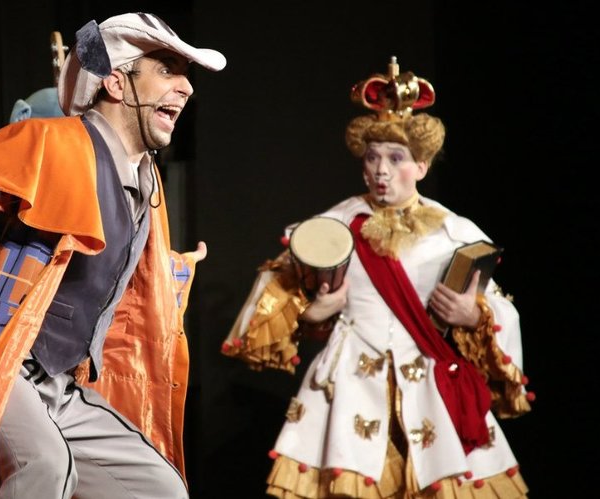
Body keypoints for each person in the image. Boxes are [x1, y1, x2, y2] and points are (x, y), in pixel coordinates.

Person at [0, 12, 225, 499]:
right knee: (45, 465)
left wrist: (174, 269)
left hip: (60, 384)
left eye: (184, 75)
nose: (186, 87)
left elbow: (115, 275)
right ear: (116, 82)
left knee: (158, 489)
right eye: (167, 70)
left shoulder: (145, 181)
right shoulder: (52, 141)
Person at [222, 57, 533, 498]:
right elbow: (277, 290)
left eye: (395, 158)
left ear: (421, 165)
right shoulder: (334, 226)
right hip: (350, 382)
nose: (381, 170)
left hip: (429, 384)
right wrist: (313, 312)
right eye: (372, 157)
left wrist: (473, 315)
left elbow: (498, 305)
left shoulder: (455, 233)